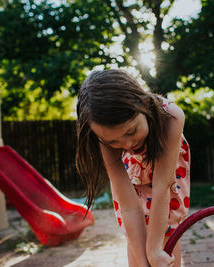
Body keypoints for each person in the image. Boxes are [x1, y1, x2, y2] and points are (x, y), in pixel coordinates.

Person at [76, 69, 190, 267]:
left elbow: (161, 187)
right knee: (137, 237)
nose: (127, 145)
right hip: (134, 168)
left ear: (143, 105)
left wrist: (154, 251)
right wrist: (144, 259)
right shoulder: (105, 137)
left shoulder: (171, 117)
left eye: (131, 131)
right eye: (114, 141)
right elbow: (129, 207)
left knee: (166, 232)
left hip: (164, 163)